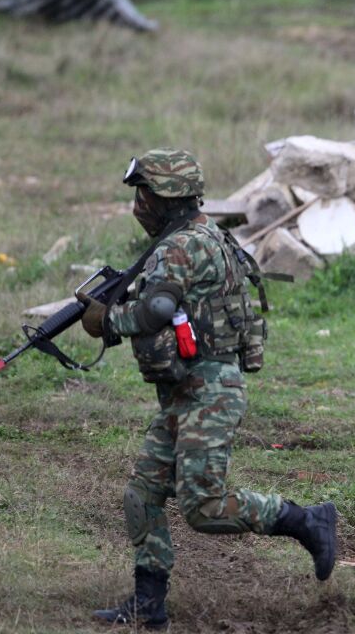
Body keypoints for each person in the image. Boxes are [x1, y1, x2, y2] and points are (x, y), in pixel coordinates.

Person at [80, 149, 337, 629]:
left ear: (168, 198)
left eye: (145, 194)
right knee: (143, 495)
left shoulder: (180, 246)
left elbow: (156, 310)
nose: (139, 205)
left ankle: (308, 521)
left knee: (203, 506)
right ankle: (149, 606)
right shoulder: (204, 236)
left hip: (209, 391)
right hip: (190, 389)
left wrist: (107, 321)